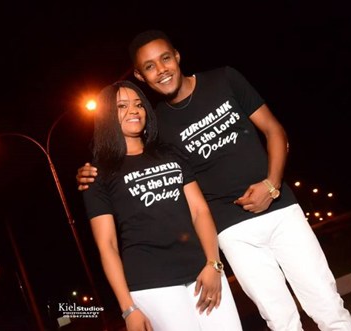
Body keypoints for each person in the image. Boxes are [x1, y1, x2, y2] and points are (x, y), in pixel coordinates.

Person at [77, 30, 351, 330]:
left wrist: (272, 186)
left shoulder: (225, 79)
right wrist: (89, 170)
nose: (161, 70)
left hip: (281, 210)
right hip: (232, 231)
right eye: (150, 67)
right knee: (280, 319)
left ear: (177, 56)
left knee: (326, 303)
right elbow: (126, 157)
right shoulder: (159, 126)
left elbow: (275, 132)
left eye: (165, 59)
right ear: (140, 75)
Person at [81, 80, 243, 331]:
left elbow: (199, 211)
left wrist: (214, 263)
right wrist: (128, 308)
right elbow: (108, 245)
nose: (133, 110)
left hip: (203, 272)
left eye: (138, 104)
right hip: (151, 282)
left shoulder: (170, 154)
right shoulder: (97, 173)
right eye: (121, 106)